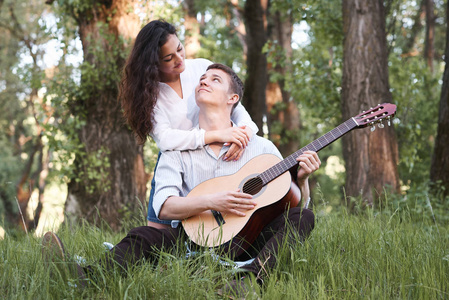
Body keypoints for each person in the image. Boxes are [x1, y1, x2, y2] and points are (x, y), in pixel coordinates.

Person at [42, 63, 320, 296]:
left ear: (232, 98)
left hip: (247, 238)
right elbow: (164, 206)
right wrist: (212, 201)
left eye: (215, 79)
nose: (203, 81)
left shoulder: (263, 148)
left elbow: (290, 206)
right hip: (192, 240)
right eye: (202, 78)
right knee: (144, 235)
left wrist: (303, 180)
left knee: (304, 218)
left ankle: (248, 282)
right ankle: (83, 279)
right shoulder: (177, 150)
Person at [119, 20, 258, 229]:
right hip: (175, 158)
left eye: (179, 49)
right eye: (168, 58)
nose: (179, 59)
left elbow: (236, 107)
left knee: (215, 222)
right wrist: (216, 135)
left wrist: (242, 135)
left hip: (212, 156)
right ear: (152, 64)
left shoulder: (201, 68)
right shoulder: (150, 96)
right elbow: (165, 139)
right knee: (157, 238)